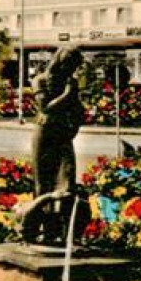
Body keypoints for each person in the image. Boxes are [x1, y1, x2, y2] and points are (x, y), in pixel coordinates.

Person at [31, 47, 84, 197]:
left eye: (73, 67)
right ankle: (41, 215)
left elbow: (76, 108)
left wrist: (75, 124)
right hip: (45, 131)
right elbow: (45, 107)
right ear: (60, 63)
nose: (70, 71)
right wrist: (67, 94)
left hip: (63, 132)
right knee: (42, 179)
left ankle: (63, 216)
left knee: (67, 177)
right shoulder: (40, 80)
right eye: (68, 66)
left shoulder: (70, 82)